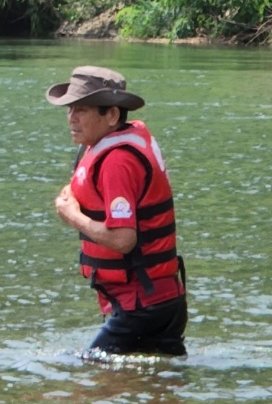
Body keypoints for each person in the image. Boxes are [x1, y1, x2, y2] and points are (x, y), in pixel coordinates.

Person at [48, 66, 187, 357]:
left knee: (92, 378)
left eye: (82, 110)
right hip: (160, 299)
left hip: (142, 305)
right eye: (70, 109)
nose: (71, 118)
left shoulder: (116, 161)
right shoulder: (104, 146)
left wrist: (71, 215)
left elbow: (124, 240)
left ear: (111, 115)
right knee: (158, 384)